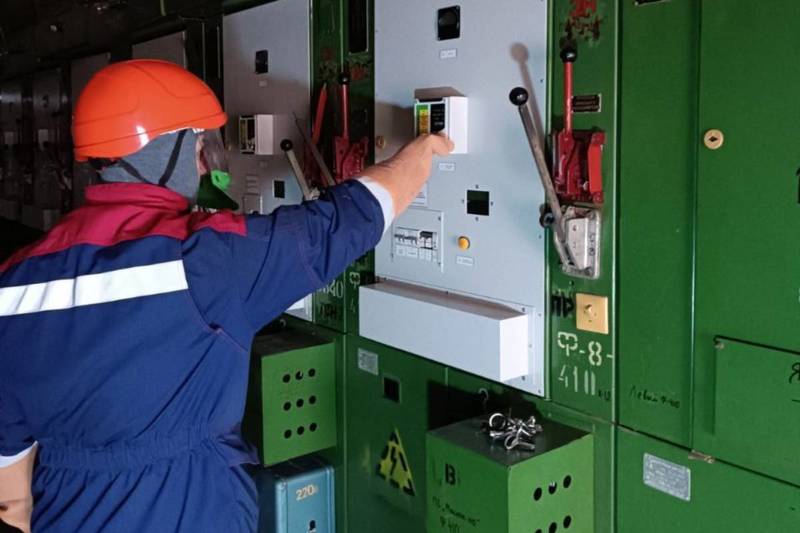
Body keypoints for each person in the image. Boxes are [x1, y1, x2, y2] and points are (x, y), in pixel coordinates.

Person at [0, 59, 452, 532]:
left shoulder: (14, 284)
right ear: (165, 153)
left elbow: (12, 495)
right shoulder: (202, 258)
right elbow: (341, 224)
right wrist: (421, 151)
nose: (203, 164)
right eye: (198, 147)